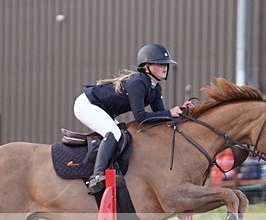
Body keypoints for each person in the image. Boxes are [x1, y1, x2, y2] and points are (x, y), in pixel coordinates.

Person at [73, 43, 193, 194]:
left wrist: (181, 112)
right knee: (113, 133)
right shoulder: (138, 83)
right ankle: (96, 176)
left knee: (124, 135)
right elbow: (141, 117)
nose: (165, 68)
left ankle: (113, 169)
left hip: (103, 109)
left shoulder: (155, 88)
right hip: (87, 104)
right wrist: (170, 113)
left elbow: (162, 116)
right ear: (146, 66)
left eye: (166, 65)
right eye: (161, 64)